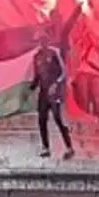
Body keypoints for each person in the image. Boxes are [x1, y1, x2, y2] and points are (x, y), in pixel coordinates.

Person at [29, 31, 74, 159]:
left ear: (48, 41)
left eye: (44, 40)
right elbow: (37, 76)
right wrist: (30, 87)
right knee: (42, 120)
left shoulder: (54, 53)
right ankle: (46, 148)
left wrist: (56, 84)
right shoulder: (36, 57)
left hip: (54, 93)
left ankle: (69, 147)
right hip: (43, 93)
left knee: (58, 119)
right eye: (40, 41)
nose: (42, 43)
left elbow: (63, 72)